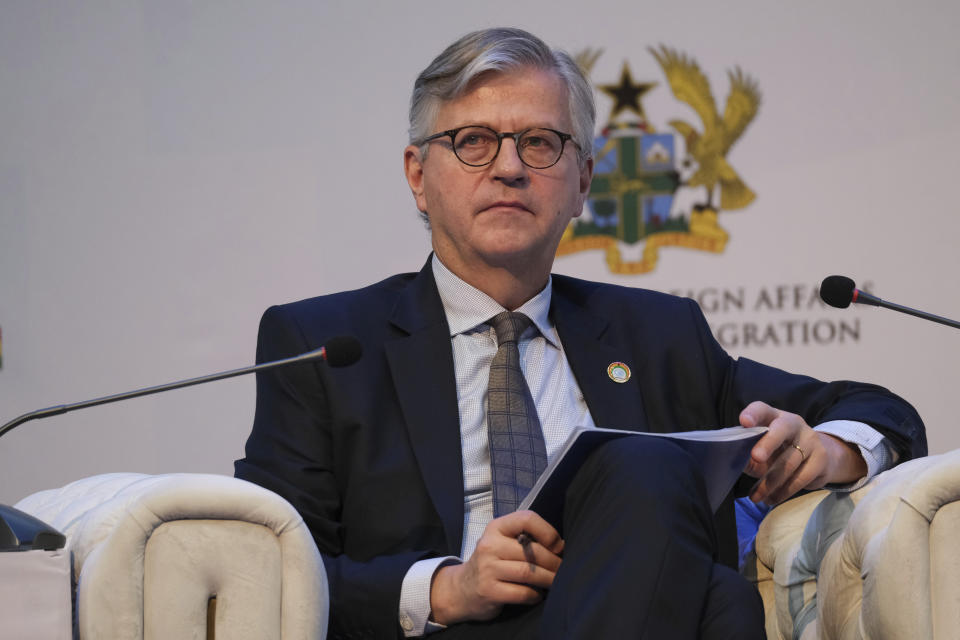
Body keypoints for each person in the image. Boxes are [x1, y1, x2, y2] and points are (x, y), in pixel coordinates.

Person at [235, 28, 926, 639]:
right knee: (715, 596)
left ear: (583, 180)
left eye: (540, 142)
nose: (509, 167)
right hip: (450, 629)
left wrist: (829, 452)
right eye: (473, 141)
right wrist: (448, 586)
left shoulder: (657, 335)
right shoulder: (326, 345)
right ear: (419, 176)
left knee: (660, 499)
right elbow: (273, 565)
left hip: (631, 609)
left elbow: (881, 412)